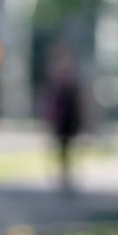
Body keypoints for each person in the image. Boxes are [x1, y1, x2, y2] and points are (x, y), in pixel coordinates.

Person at [43, 44, 84, 192]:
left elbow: (79, 104)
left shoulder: (71, 84)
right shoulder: (57, 84)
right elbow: (51, 104)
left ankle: (67, 176)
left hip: (70, 122)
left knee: (69, 151)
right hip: (61, 123)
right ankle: (63, 176)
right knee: (61, 151)